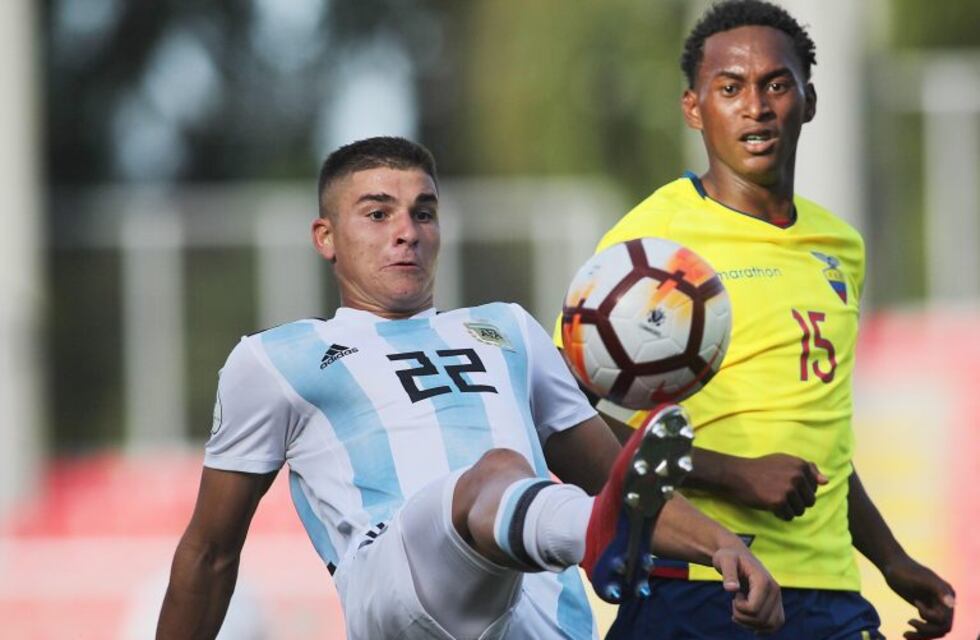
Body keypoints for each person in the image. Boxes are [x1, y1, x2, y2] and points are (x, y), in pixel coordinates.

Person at [156, 136, 783, 640]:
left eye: (422, 212)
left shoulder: (508, 328)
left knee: (529, 487)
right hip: (398, 590)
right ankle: (599, 540)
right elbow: (211, 553)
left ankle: (600, 538)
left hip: (543, 618)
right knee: (498, 472)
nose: (407, 230)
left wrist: (722, 545)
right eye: (377, 213)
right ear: (326, 237)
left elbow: (615, 475)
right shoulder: (276, 359)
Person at [567, 2, 957, 638]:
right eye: (730, 88)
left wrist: (891, 560)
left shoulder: (841, 246)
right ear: (694, 108)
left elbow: (819, 437)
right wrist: (732, 473)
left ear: (808, 101)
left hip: (830, 595)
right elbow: (569, 419)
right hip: (698, 586)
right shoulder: (650, 244)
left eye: (777, 84)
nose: (756, 106)